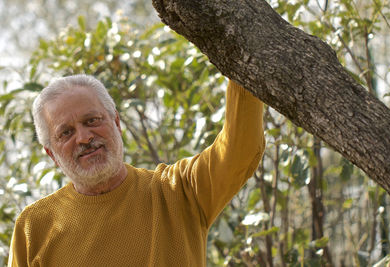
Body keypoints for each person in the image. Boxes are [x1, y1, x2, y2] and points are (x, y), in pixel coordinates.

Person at [8, 74, 265, 266]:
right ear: (51, 153)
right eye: (66, 133)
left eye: (92, 121)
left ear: (116, 123)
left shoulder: (179, 191)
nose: (84, 138)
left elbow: (239, 149)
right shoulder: (34, 226)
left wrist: (240, 57)